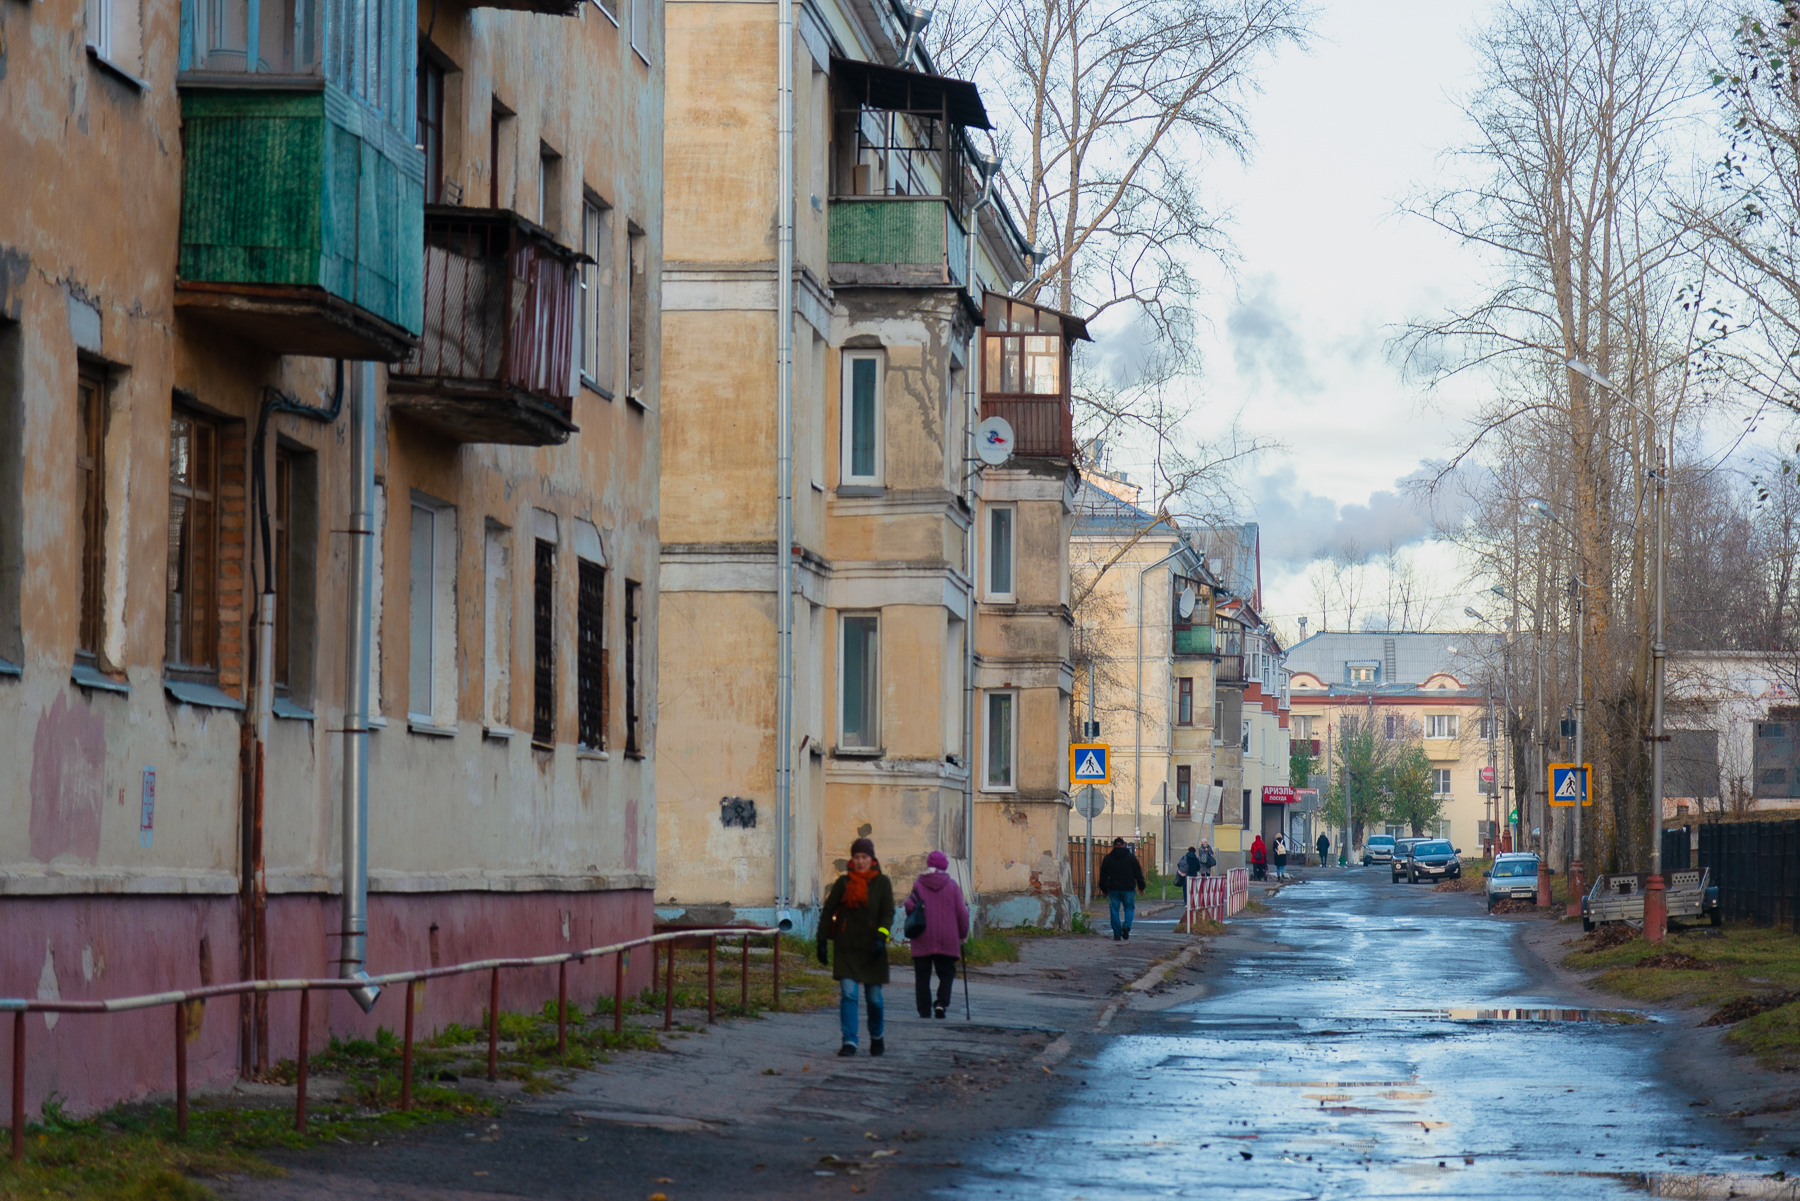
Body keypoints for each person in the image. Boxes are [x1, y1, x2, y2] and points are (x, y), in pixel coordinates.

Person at [818, 837, 895, 1056]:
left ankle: (877, 1035)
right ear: (851, 859)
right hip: (847, 948)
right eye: (857, 857)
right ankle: (849, 1040)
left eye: (865, 857)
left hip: (873, 950)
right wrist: (821, 941)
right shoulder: (843, 883)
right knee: (849, 994)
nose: (861, 861)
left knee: (874, 999)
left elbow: (887, 913)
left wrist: (881, 937)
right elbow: (827, 912)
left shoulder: (882, 883)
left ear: (873, 859)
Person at [903, 850, 970, 1019]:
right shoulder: (953, 886)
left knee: (922, 976)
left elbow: (909, 905)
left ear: (929, 864)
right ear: (944, 866)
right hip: (947, 938)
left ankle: (924, 1011)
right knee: (947, 973)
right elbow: (962, 913)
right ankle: (941, 1003)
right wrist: (963, 935)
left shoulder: (919, 884)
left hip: (923, 936)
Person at [1096, 837, 1147, 941]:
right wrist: (1141, 886)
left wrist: (1103, 888)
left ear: (1114, 846)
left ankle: (1117, 933)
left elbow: (1103, 875)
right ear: (1124, 845)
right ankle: (1126, 926)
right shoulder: (1131, 858)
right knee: (1129, 908)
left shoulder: (1108, 858)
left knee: (1114, 910)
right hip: (1128, 888)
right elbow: (1138, 873)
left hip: (1113, 889)